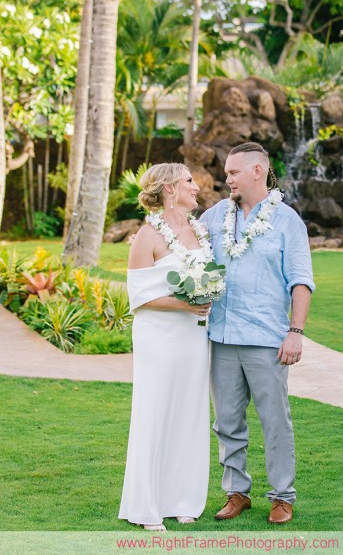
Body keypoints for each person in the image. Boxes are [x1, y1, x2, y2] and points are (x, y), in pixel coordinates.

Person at [200, 142, 314, 525]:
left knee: (274, 420)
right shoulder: (215, 216)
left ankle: (282, 496)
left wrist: (295, 332)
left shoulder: (286, 221)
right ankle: (236, 492)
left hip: (267, 339)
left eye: (233, 172)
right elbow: (188, 255)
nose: (226, 178)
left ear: (257, 171)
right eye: (227, 172)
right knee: (227, 421)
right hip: (221, 337)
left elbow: (301, 281)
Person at [119, 163, 214, 531]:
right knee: (155, 411)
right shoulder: (147, 235)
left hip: (193, 335)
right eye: (189, 181)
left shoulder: (200, 231)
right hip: (158, 336)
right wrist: (184, 304)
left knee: (189, 412)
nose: (196, 186)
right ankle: (147, 505)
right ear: (171, 188)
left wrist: (204, 298)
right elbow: (138, 296)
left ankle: (183, 498)